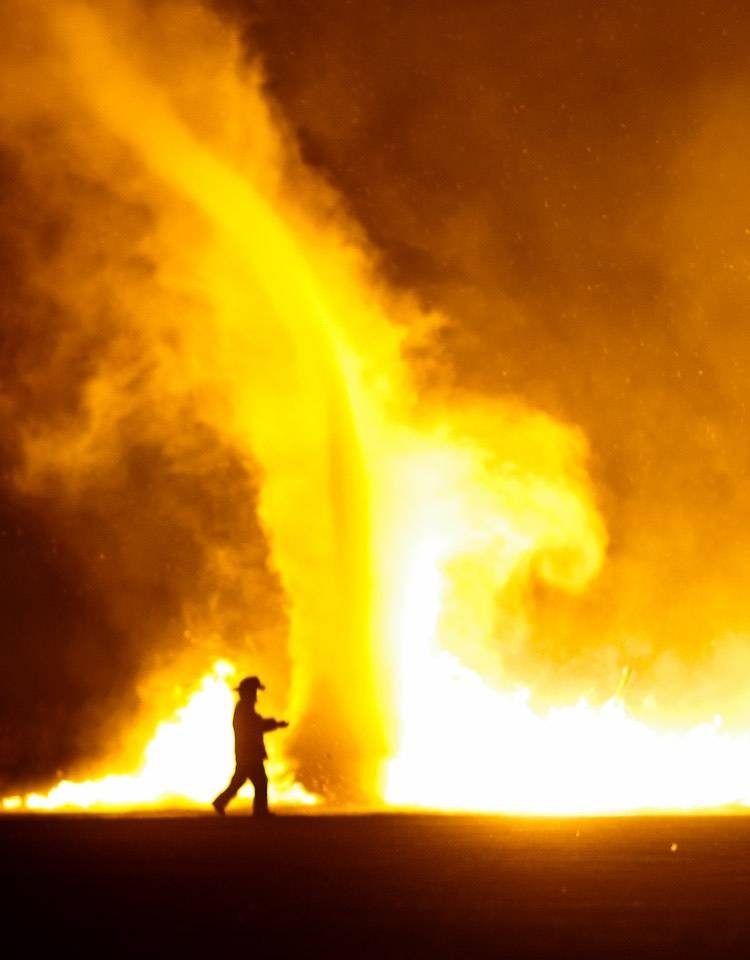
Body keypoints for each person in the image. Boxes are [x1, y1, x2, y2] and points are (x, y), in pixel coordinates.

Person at [212, 675, 289, 817]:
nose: (255, 694)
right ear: (247, 692)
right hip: (249, 753)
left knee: (240, 781)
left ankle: (220, 802)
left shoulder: (244, 708)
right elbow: (255, 725)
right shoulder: (243, 708)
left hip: (246, 752)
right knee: (259, 782)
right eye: (253, 691)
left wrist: (274, 724)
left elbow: (256, 724)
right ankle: (260, 812)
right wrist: (275, 723)